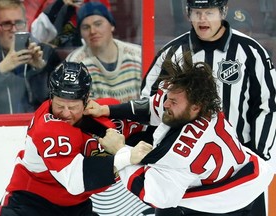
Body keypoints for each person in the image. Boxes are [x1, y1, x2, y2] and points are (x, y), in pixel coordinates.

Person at [84, 53, 274, 215]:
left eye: (173, 102)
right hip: (247, 175)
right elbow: (153, 107)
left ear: (195, 107)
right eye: (169, 98)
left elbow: (152, 195)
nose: (166, 104)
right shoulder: (206, 107)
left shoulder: (182, 152)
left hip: (224, 204)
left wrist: (120, 151)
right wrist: (106, 110)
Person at [140, 1, 276, 214]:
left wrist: (261, 156)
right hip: (183, 169)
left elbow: (268, 105)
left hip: (239, 167)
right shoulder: (172, 52)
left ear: (223, 12)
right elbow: (149, 102)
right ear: (188, 14)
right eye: (197, 12)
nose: (203, 19)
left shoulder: (250, 52)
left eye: (209, 12)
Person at [0, 60, 150, 216]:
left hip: (76, 206)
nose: (66, 114)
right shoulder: (47, 126)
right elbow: (75, 181)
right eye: (60, 106)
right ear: (51, 98)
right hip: (31, 204)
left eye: (73, 107)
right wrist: (126, 155)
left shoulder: (107, 115)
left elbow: (151, 132)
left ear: (86, 100)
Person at [0, 0, 62, 114]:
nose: (14, 29)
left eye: (19, 23)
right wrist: (0, 69)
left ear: (27, 24)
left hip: (35, 127)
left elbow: (58, 105)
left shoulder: (46, 53)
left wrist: (40, 70)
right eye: (6, 24)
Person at [65, 2, 142, 103]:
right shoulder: (75, 64)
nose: (92, 31)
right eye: (86, 27)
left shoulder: (139, 56)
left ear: (112, 26)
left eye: (98, 24)